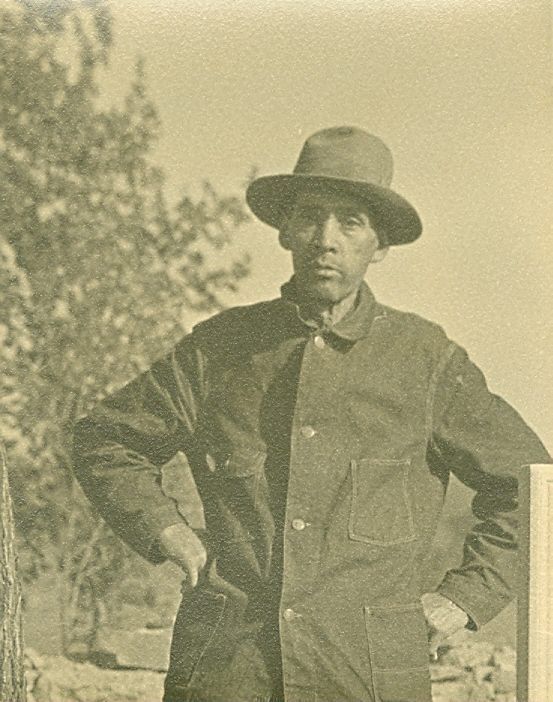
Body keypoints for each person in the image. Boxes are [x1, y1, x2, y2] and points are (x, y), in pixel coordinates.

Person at [72, 126, 550, 702]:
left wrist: (464, 598)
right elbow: (106, 441)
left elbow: (532, 486)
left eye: (350, 222)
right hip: (227, 672)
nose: (326, 240)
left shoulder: (424, 360)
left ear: (380, 245)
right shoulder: (221, 348)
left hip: (367, 677)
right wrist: (165, 530)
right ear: (285, 231)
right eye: (309, 217)